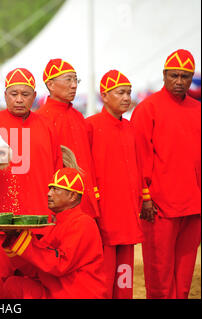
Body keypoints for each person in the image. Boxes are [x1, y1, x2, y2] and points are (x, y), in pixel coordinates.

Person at [0, 67, 63, 298]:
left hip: (38, 226)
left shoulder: (47, 126)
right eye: (13, 93)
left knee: (37, 289)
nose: (19, 99)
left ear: (34, 96)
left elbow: (57, 174)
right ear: (5, 95)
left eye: (25, 94)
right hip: (0, 225)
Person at [131, 49, 201, 299]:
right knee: (160, 276)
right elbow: (138, 158)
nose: (180, 81)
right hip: (159, 207)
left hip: (193, 206)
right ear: (163, 75)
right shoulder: (147, 109)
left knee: (184, 278)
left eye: (185, 76)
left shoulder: (198, 109)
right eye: (174, 75)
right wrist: (145, 197)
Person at [2, 167, 106, 299]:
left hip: (78, 294)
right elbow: (36, 269)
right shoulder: (57, 223)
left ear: (73, 196)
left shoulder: (83, 223)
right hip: (59, 291)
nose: (49, 193)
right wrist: (14, 238)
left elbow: (59, 264)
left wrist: (25, 241)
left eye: (55, 189)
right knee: (13, 285)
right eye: (50, 188)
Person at [86, 70, 144, 298]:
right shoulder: (90, 126)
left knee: (124, 278)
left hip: (128, 216)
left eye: (128, 93)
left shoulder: (131, 128)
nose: (126, 97)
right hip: (104, 215)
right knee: (103, 279)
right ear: (104, 95)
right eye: (120, 92)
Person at [36, 59, 100, 219]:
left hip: (86, 197)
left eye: (75, 80)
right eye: (68, 80)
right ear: (50, 85)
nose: (74, 85)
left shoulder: (78, 116)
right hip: (62, 203)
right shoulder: (41, 119)